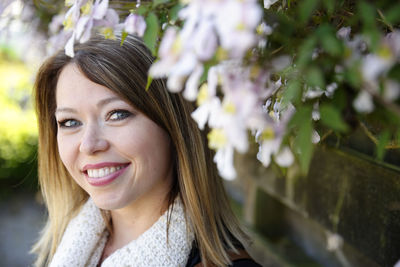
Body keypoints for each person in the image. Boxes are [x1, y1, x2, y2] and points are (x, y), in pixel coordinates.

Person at [32, 34, 261, 267]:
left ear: (174, 128)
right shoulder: (72, 247)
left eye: (117, 114)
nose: (89, 145)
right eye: (70, 122)